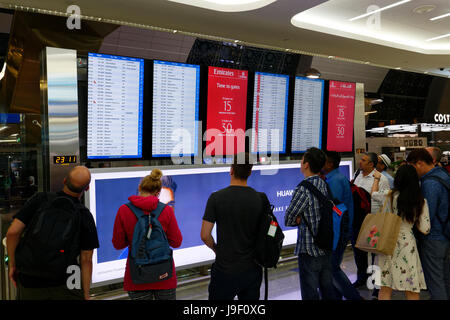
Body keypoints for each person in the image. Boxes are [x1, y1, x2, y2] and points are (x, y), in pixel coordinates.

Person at [6, 166, 99, 300]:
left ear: (64, 180)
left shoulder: (40, 199)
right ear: (87, 188)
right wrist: (85, 293)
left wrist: (12, 265)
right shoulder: (84, 215)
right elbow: (86, 259)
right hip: (67, 281)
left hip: (29, 278)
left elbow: (12, 233)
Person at [201, 152, 263, 300]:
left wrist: (217, 249)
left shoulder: (216, 198)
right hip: (252, 269)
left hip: (225, 269)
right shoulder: (260, 199)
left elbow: (204, 235)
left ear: (231, 170)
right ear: (250, 172)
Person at [112, 169, 182, 300]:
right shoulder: (167, 210)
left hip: (137, 276)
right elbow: (177, 242)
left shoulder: (124, 210)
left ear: (140, 187)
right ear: (158, 192)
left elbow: (118, 244)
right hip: (164, 276)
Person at [371, 165, 430, 300]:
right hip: (407, 245)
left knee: (385, 287)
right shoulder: (420, 202)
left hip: (386, 243)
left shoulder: (389, 196)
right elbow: (425, 229)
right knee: (411, 288)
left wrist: (376, 179)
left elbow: (373, 194)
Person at [284, 147, 336, 300]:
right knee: (327, 290)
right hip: (326, 245)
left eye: (302, 160)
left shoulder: (303, 189)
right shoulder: (324, 184)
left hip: (309, 249)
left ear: (306, 165)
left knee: (310, 292)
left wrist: (300, 218)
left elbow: (288, 219)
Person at [406, 148, 450, 300]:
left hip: (433, 238)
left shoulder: (429, 183)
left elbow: (426, 216)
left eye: (412, 167)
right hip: (445, 234)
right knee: (445, 278)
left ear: (419, 164)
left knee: (435, 281)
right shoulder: (443, 174)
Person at [322, 151, 363, 300]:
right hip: (340, 230)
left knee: (332, 268)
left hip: (337, 231)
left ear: (330, 164)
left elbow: (333, 209)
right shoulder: (334, 178)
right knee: (332, 267)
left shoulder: (335, 181)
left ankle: (355, 297)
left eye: (324, 161)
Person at [352, 152, 391, 289]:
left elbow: (385, 202)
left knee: (375, 253)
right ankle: (362, 277)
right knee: (359, 252)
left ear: (371, 164)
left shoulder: (381, 179)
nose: (360, 161)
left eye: (364, 160)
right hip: (358, 221)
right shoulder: (357, 175)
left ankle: (376, 284)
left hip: (373, 222)